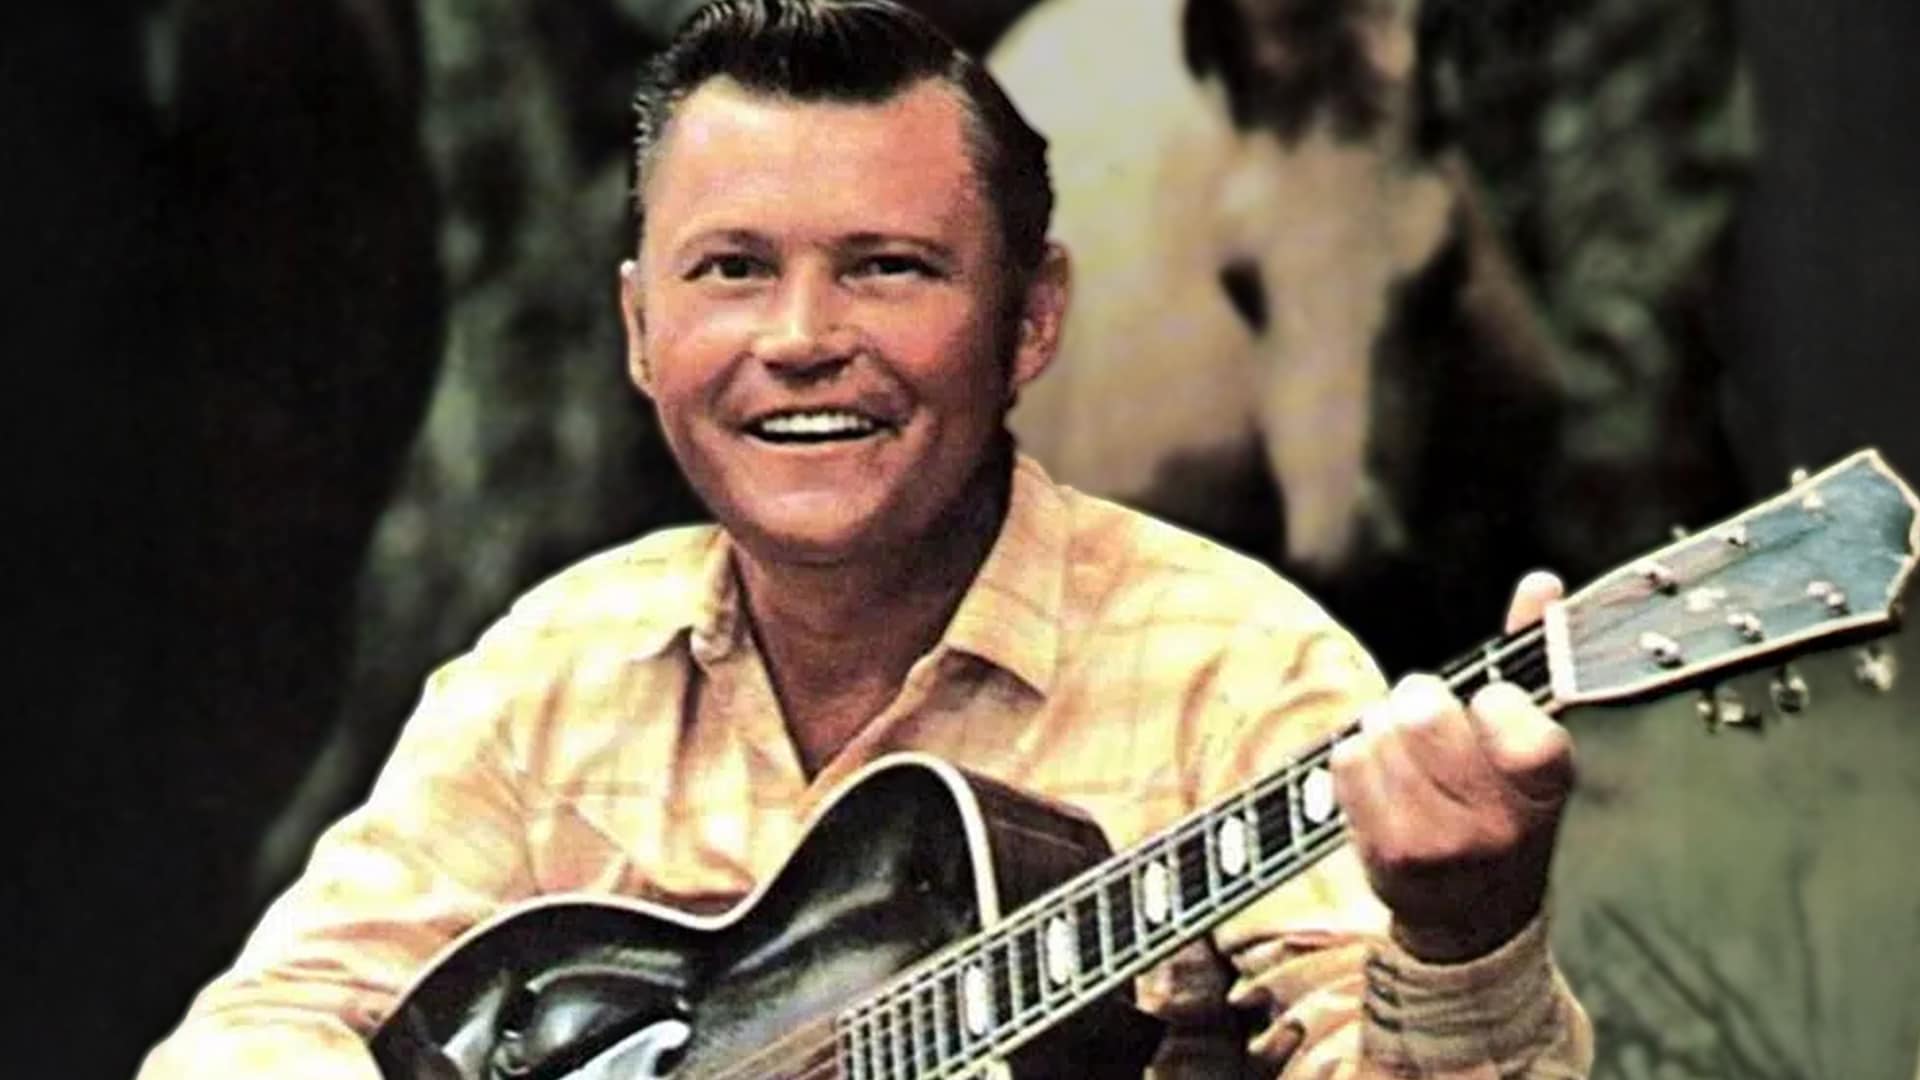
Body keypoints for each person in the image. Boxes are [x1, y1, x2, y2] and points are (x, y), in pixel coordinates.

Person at [138, 1, 1592, 1076]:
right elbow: (254, 1034)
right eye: (733, 272)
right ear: (644, 331)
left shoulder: (1240, 673)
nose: (803, 341)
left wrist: (1464, 939)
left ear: (1031, 320)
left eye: (889, 270)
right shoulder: (555, 670)